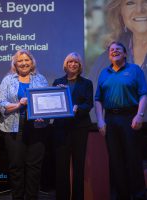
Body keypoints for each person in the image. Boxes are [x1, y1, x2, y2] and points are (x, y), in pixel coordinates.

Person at [95, 41, 147, 200]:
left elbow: (143, 94)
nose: (114, 51)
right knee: (116, 160)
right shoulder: (104, 73)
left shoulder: (135, 70)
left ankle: (138, 195)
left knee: (133, 159)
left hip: (130, 117)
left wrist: (140, 115)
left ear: (125, 54)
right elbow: (98, 99)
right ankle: (120, 196)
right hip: (110, 119)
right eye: (111, 50)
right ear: (108, 55)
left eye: (118, 49)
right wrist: (100, 120)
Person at [0, 49, 49, 200]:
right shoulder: (8, 80)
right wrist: (19, 104)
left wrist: (43, 116)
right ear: (15, 63)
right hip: (13, 127)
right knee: (16, 167)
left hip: (37, 128)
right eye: (20, 60)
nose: (24, 63)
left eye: (27, 60)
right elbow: (1, 104)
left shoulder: (40, 79)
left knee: (34, 167)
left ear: (32, 62)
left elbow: (47, 102)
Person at [52, 52, 93, 200]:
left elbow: (89, 104)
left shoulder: (87, 83)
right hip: (61, 128)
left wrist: (77, 108)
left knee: (78, 165)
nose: (73, 64)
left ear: (80, 65)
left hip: (79, 128)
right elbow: (53, 103)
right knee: (61, 166)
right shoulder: (57, 82)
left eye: (76, 62)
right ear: (65, 64)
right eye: (70, 62)